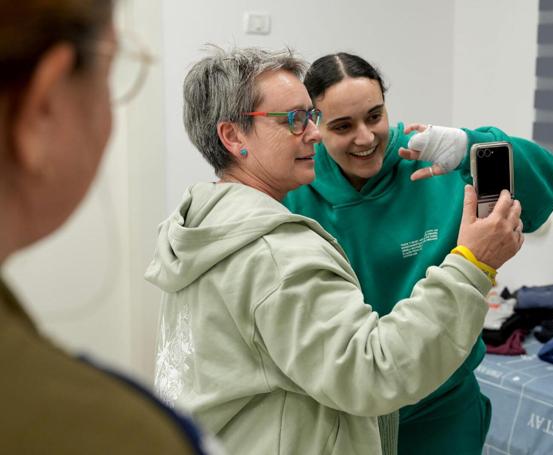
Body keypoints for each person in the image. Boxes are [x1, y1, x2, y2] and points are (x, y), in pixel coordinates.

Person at [147, 45, 525, 455]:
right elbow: (375, 371)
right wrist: (472, 265)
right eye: (294, 120)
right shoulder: (275, 253)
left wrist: (470, 141)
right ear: (233, 135)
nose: (314, 132)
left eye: (310, 116)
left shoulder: (204, 225)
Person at [283, 52, 553, 454]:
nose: (365, 137)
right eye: (343, 126)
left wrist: (471, 143)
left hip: (441, 406)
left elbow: (551, 185)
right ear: (314, 126)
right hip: (343, 411)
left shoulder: (432, 159)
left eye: (375, 116)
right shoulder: (296, 188)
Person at [0, 1, 220, 453]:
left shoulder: (189, 224)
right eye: (110, 66)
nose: (311, 133)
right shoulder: (112, 436)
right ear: (44, 104)